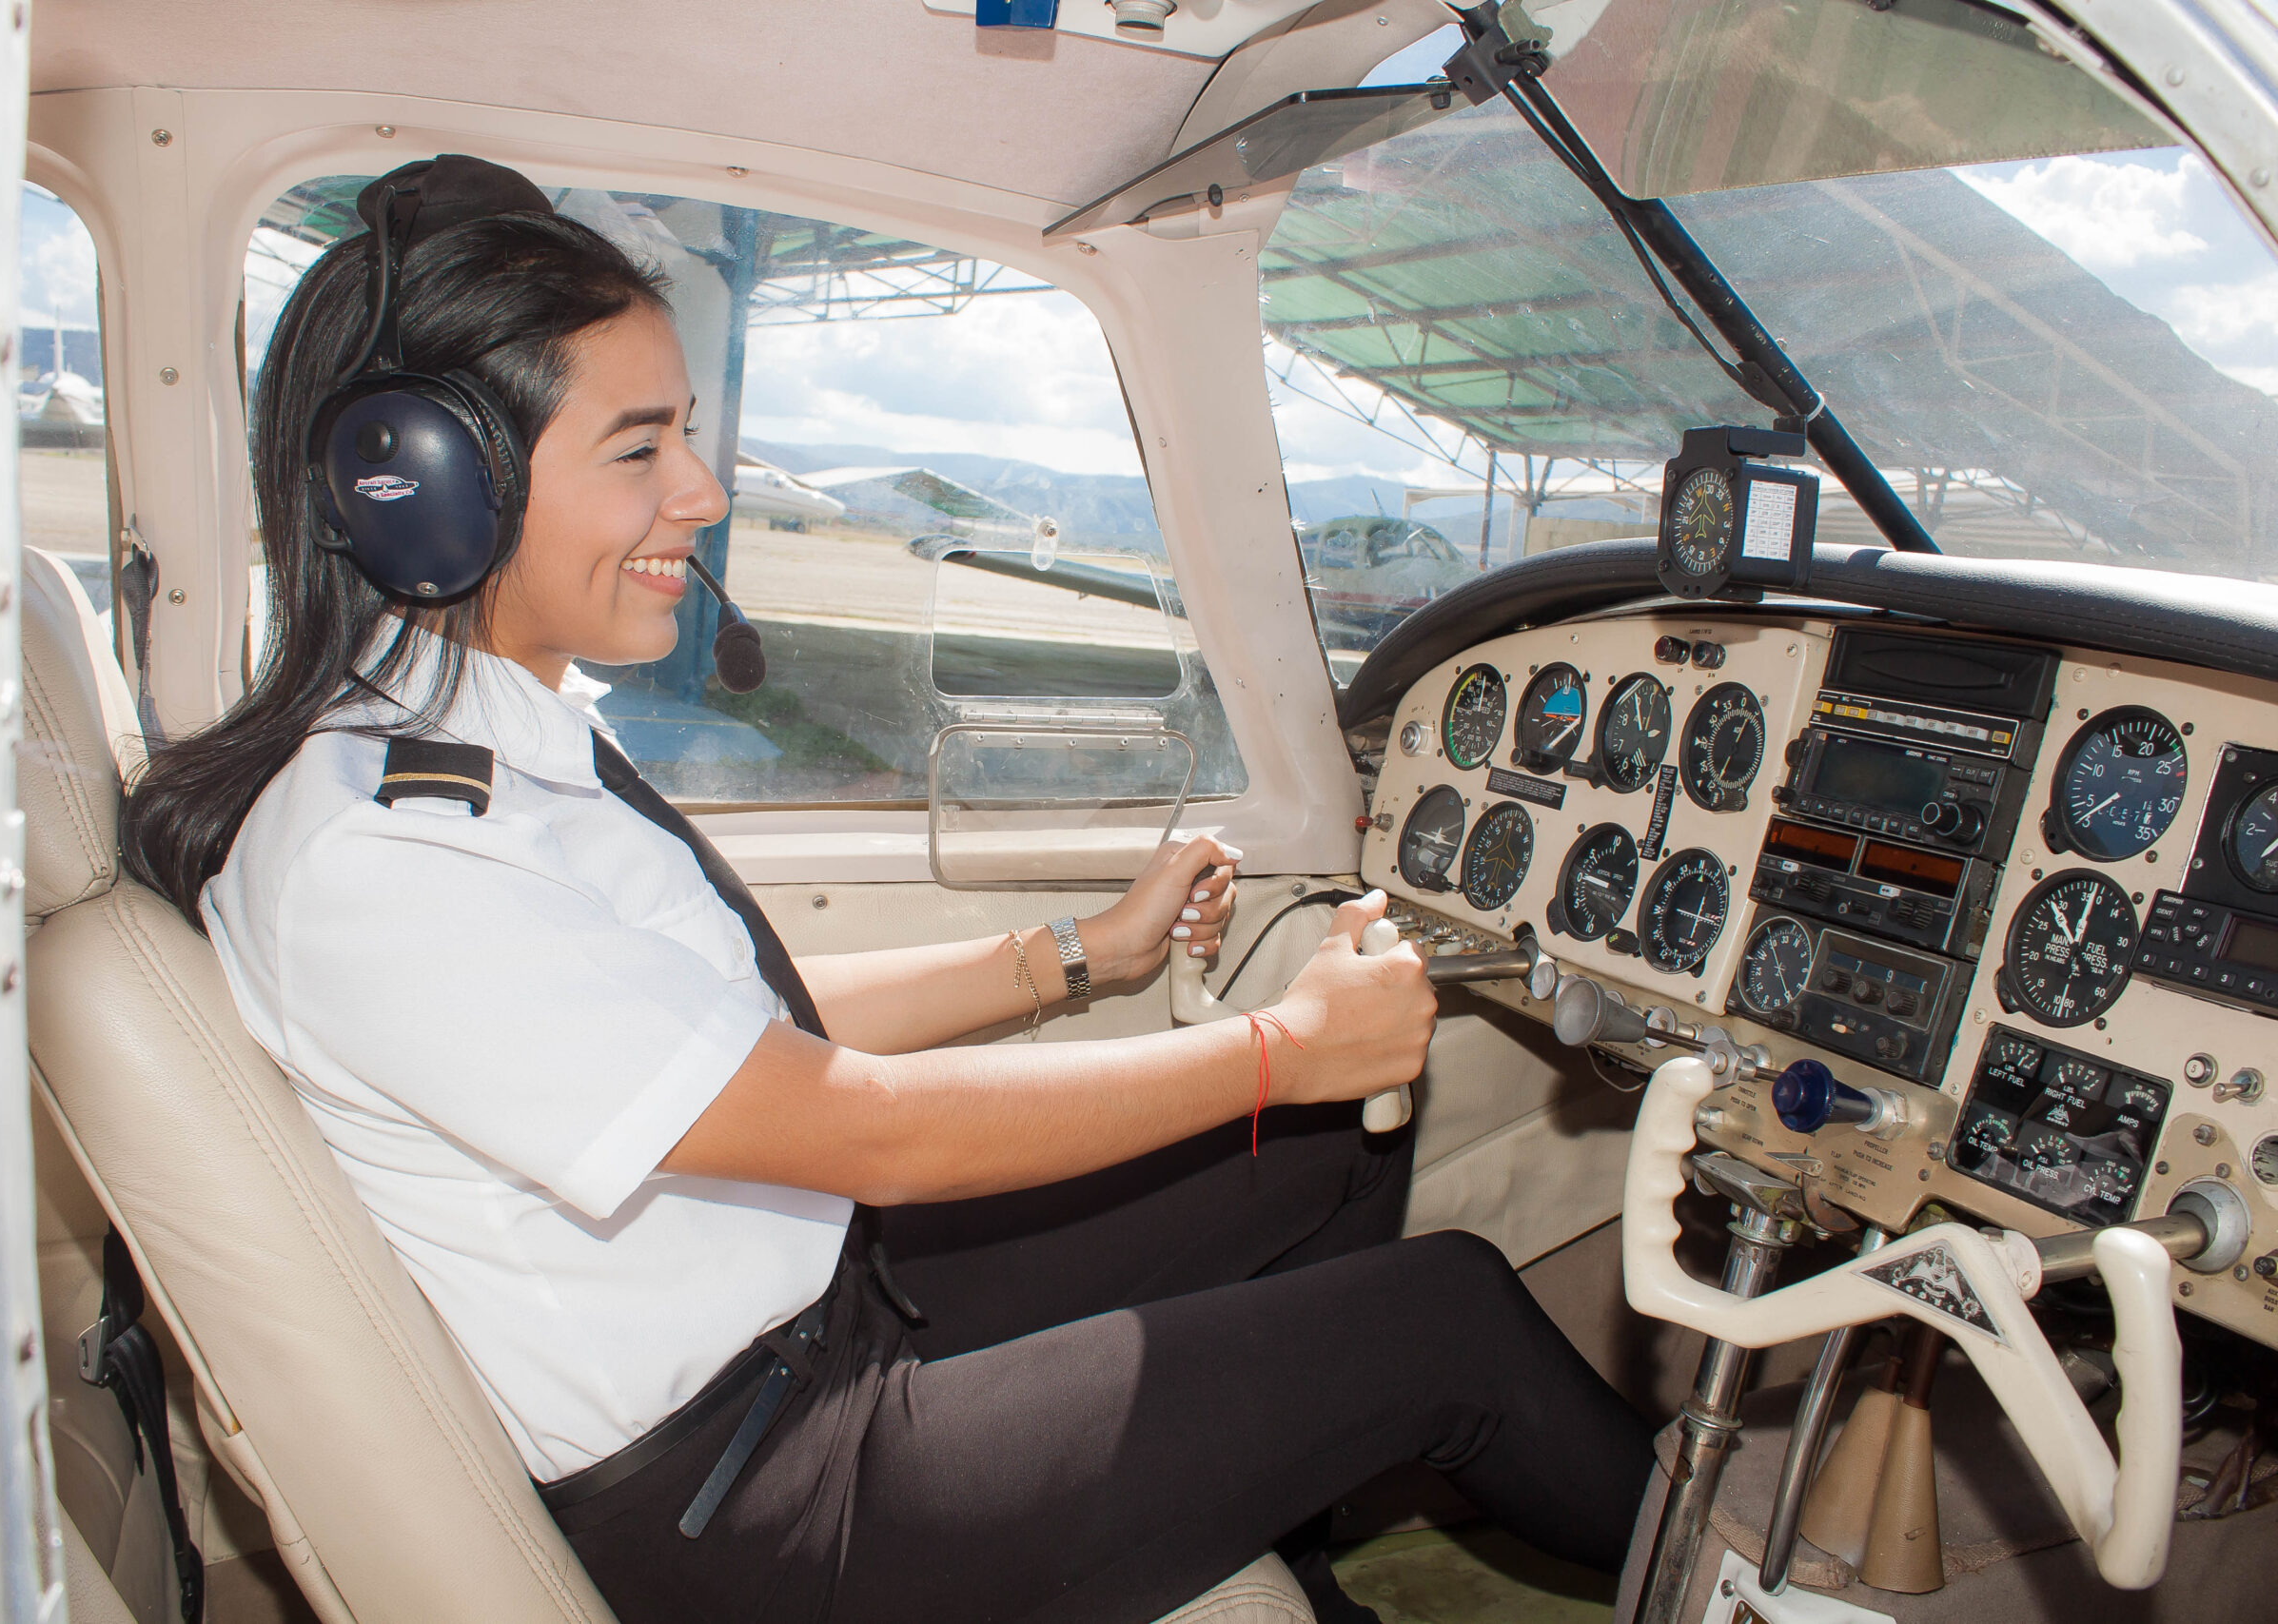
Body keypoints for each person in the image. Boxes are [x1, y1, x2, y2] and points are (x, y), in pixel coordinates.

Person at [121, 156, 1654, 1624]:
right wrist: (1283, 1044)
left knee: (1310, 1151)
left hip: (818, 1328)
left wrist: (1075, 955)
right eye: (640, 449)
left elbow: (733, 1038)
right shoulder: (387, 853)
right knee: (1441, 1310)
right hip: (773, 1507)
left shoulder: (485, 738)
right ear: (428, 495)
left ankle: (1253, 1526)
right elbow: (859, 1125)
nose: (707, 493)